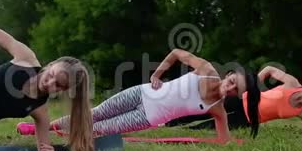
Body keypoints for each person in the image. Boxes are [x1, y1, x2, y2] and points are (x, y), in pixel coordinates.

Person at [17, 49, 262, 141]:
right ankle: (39, 128)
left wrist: (232, 142)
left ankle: (65, 134)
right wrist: (157, 73)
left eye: (234, 91)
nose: (229, 89)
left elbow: (224, 137)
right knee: (94, 114)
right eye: (231, 82)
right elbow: (176, 52)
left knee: (98, 128)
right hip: (141, 93)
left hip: (147, 117)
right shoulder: (206, 70)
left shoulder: (217, 108)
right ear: (228, 74)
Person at [165, 66, 302, 136]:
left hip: (246, 119)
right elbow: (269, 69)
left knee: (207, 128)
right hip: (240, 100)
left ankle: (182, 134)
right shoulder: (292, 83)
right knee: (202, 110)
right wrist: (255, 86)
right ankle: (166, 122)